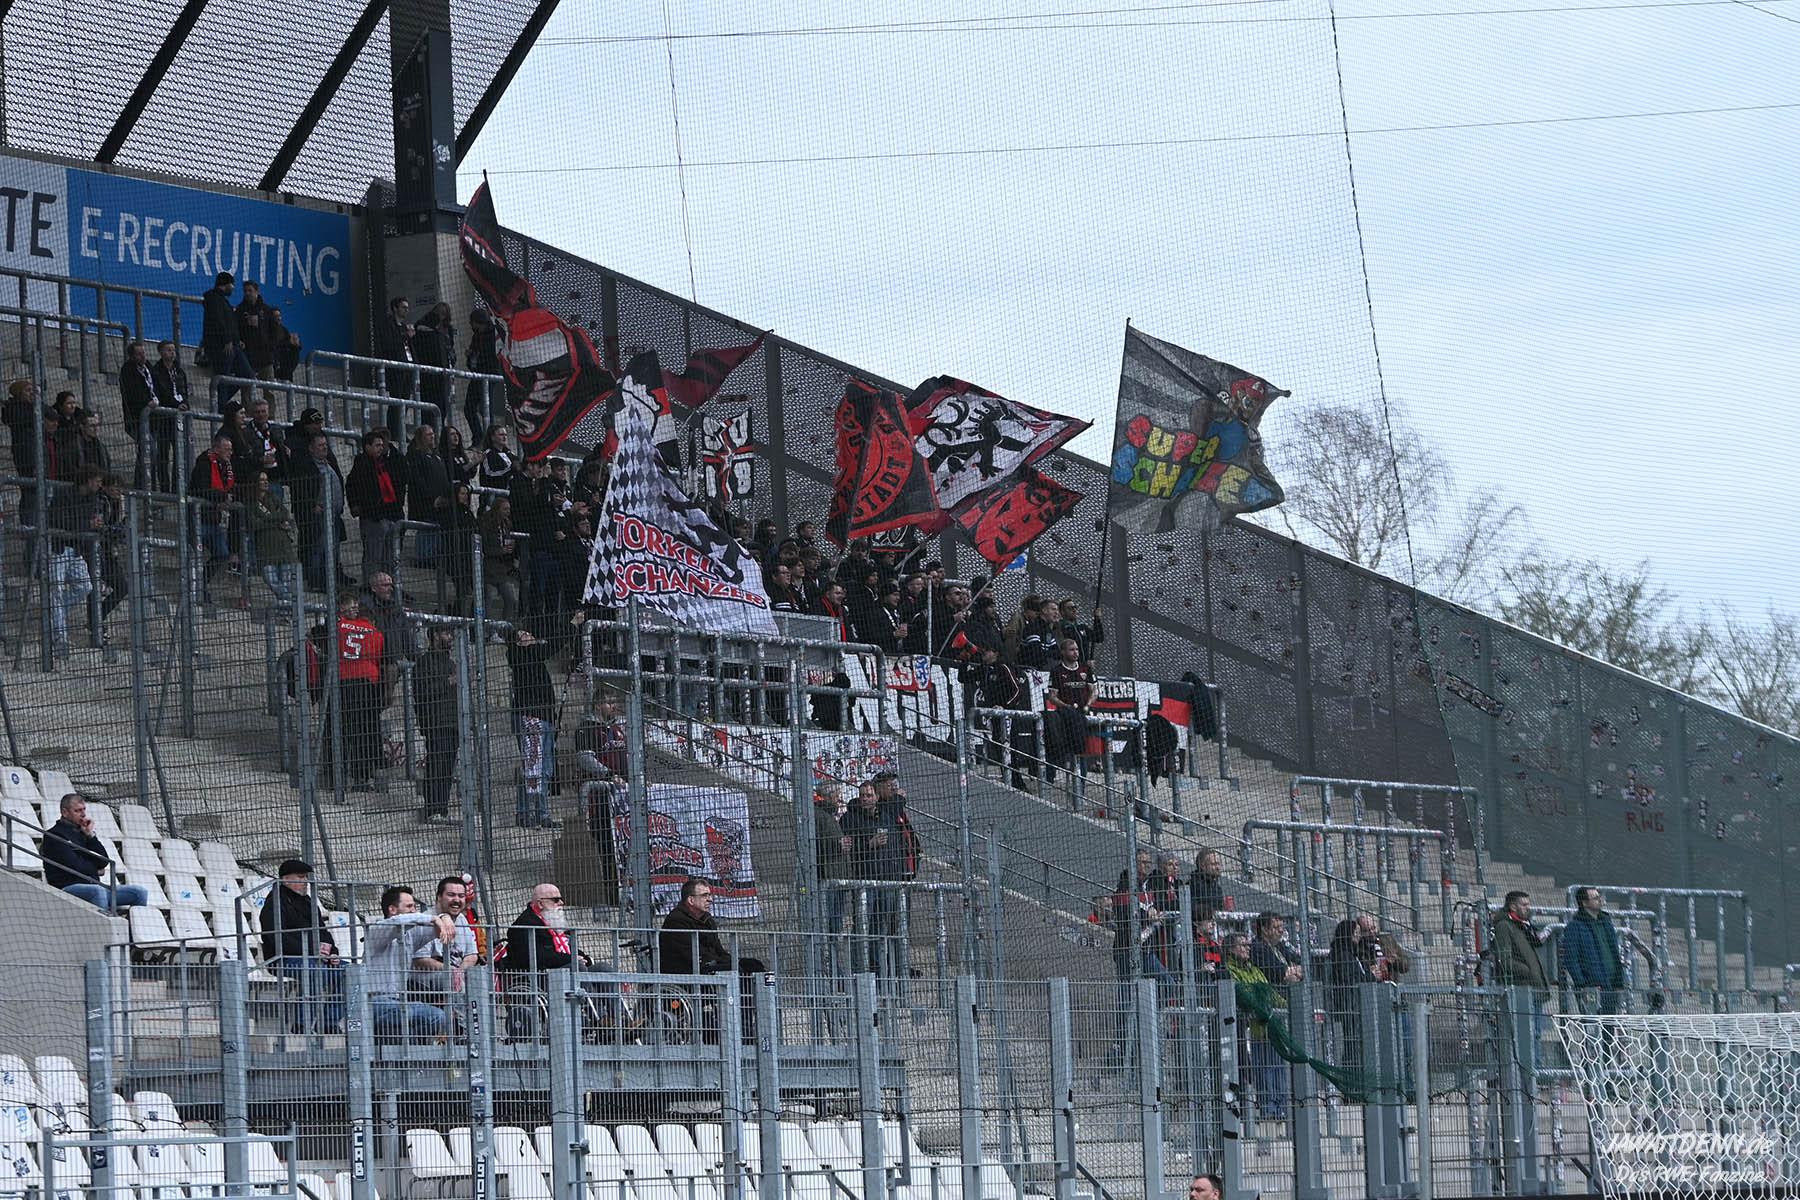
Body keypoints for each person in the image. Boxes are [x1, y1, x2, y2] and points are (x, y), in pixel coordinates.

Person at [659, 879, 767, 1042]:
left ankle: (752, 1024)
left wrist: (732, 962)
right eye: (704, 895)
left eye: (709, 895)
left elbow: (718, 950)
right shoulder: (676, 920)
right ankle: (742, 1032)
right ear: (691, 900)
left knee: (753, 966)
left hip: (708, 964)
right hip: (686, 971)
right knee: (739, 973)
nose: (710, 899)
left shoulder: (707, 919)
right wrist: (722, 963)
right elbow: (691, 954)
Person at [307, 592, 387, 791]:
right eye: (351, 605)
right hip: (366, 683)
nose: (354, 609)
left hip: (342, 682)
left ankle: (337, 779)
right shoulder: (372, 631)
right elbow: (379, 657)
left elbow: (316, 636)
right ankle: (362, 779)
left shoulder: (336, 626)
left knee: (338, 732)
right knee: (363, 732)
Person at [258, 859, 345, 1032]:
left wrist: (332, 952)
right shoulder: (274, 903)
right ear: (285, 879)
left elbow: (323, 931)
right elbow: (277, 939)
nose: (305, 881)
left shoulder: (308, 902)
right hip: (283, 959)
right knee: (314, 971)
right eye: (300, 877)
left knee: (349, 972)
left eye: (306, 877)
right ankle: (301, 1024)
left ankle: (328, 1022)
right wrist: (312, 952)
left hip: (314, 958)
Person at [365, 885, 453, 1041]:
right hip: (374, 1002)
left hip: (398, 1001)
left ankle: (415, 1058)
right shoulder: (377, 929)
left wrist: (445, 917)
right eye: (409, 906)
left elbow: (437, 929)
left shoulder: (410, 934)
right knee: (407, 1012)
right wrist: (433, 918)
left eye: (415, 907)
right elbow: (399, 921)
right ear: (392, 909)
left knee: (438, 1016)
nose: (415, 911)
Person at [39, 794, 149, 911]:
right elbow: (74, 866)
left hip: (93, 886)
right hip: (67, 887)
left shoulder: (82, 832)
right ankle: (105, 928)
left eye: (84, 809)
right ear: (65, 812)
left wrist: (90, 835)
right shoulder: (54, 835)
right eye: (77, 811)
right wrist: (96, 870)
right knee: (98, 891)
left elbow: (103, 861)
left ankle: (133, 929)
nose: (83, 814)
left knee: (139, 892)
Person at [840, 780, 906, 967]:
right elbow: (848, 849)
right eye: (862, 795)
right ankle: (858, 967)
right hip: (865, 879)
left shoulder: (886, 815)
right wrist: (870, 844)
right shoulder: (850, 818)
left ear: (877, 797)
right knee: (861, 923)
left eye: (869, 795)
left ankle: (877, 967)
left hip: (887, 879)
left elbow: (899, 801)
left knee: (880, 924)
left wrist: (899, 794)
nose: (865, 799)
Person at [1224, 931, 1288, 1121]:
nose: (1246, 949)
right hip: (1252, 1029)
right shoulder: (1231, 969)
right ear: (1231, 949)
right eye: (1242, 945)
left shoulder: (1254, 969)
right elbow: (1244, 993)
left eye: (1247, 945)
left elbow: (1268, 991)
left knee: (1278, 1069)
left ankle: (1280, 1108)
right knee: (1264, 1072)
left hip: (1270, 1028)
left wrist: (1283, 1005)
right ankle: (1268, 1110)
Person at [46, 467, 104, 656]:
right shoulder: (64, 495)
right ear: (87, 480)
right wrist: (86, 524)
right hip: (59, 548)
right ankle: (59, 637)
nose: (99, 484)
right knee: (56, 589)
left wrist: (90, 525)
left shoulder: (93, 500)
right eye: (96, 480)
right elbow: (61, 521)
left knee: (85, 586)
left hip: (76, 549)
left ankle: (56, 614)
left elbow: (88, 524)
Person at [509, 624, 559, 829]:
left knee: (544, 768)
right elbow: (549, 647)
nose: (530, 636)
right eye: (525, 634)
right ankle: (524, 812)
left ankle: (541, 813)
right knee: (531, 766)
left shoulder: (536, 660)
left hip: (544, 717)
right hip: (530, 717)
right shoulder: (518, 656)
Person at [289, 432, 347, 592]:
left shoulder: (329, 463)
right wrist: (313, 505)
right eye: (320, 446)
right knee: (318, 550)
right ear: (311, 449)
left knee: (332, 549)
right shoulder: (307, 467)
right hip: (318, 517)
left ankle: (329, 581)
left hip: (333, 516)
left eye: (325, 445)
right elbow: (301, 490)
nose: (324, 448)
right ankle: (315, 581)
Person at [346, 430, 407, 582]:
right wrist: (362, 508)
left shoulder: (386, 463)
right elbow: (354, 487)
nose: (381, 448)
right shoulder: (362, 464)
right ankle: (370, 585)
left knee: (389, 557)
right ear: (367, 447)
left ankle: (388, 586)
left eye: (382, 445)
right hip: (374, 518)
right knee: (374, 556)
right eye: (377, 445)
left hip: (389, 515)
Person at [414, 626, 459, 822]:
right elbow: (422, 693)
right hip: (435, 722)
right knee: (437, 765)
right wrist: (448, 682)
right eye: (446, 633)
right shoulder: (424, 663)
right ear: (434, 635)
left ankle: (442, 808)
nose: (450, 637)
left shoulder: (450, 663)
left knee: (447, 767)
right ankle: (432, 808)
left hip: (452, 722)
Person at [411, 875, 481, 998]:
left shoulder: (462, 919)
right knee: (452, 982)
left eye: (461, 896)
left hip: (456, 975)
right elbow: (419, 960)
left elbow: (472, 955)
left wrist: (459, 971)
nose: (457, 900)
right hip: (427, 983)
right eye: (451, 895)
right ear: (439, 897)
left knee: (482, 977)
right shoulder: (426, 919)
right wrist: (451, 971)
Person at [1562, 887, 1625, 1014]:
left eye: (1599, 897)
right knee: (1592, 1027)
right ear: (1584, 903)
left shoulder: (1606, 922)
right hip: (1592, 988)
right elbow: (1571, 959)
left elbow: (1614, 954)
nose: (1600, 900)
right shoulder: (1574, 927)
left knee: (1609, 1027)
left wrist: (1619, 982)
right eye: (1595, 898)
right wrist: (1583, 984)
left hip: (1610, 986)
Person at [200, 273, 254, 407]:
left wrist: (236, 339)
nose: (233, 288)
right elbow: (218, 321)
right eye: (232, 284)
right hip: (221, 346)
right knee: (223, 376)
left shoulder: (223, 301)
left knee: (247, 374)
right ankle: (221, 406)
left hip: (232, 344)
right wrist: (227, 340)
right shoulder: (213, 298)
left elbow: (229, 323)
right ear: (225, 284)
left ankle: (221, 403)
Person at [1045, 637, 1094, 782]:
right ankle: (1050, 777)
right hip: (1064, 716)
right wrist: (1065, 706)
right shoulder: (1056, 671)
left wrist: (1088, 705)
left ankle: (1081, 785)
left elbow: (1094, 691)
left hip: (1081, 716)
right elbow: (1052, 696)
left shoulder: (1086, 669)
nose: (1075, 653)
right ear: (1063, 652)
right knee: (1057, 743)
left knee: (1081, 749)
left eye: (1077, 649)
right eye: (1072, 650)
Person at [247, 471, 300, 603]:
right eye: (261, 480)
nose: (265, 482)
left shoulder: (274, 498)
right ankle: (288, 603)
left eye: (266, 479)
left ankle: (286, 606)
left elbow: (285, 514)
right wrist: (276, 521)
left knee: (287, 580)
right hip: (266, 548)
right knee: (271, 580)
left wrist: (268, 519)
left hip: (283, 546)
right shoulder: (251, 503)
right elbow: (254, 523)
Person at [147, 341, 192, 492]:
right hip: (164, 419)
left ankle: (177, 487)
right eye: (168, 350)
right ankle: (165, 488)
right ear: (160, 352)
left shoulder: (179, 371)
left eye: (173, 350)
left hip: (178, 418)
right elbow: (161, 392)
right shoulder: (156, 371)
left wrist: (184, 403)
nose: (172, 353)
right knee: (163, 455)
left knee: (180, 454)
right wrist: (175, 404)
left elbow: (184, 391)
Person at [813, 782, 851, 935]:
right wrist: (838, 845)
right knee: (830, 924)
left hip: (836, 876)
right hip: (828, 877)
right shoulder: (819, 815)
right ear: (827, 797)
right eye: (837, 795)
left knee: (835, 923)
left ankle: (831, 955)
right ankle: (827, 957)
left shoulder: (829, 816)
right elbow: (814, 845)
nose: (839, 799)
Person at [465, 307, 500, 440]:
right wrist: (471, 356)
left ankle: (490, 438)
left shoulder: (493, 335)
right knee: (469, 408)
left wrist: (476, 356)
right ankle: (479, 437)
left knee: (486, 408)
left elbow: (492, 356)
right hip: (477, 375)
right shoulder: (476, 336)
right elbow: (474, 356)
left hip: (489, 374)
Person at [1251, 912, 1306, 991]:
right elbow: (1279, 973)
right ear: (1264, 929)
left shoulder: (1280, 945)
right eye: (1276, 927)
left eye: (1282, 927)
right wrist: (1291, 971)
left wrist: (1291, 971)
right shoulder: (1258, 948)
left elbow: (1300, 962)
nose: (1281, 930)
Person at [1191, 849, 1227, 916]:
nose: (1218, 867)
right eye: (1214, 864)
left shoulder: (1216, 887)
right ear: (1203, 866)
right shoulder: (1193, 886)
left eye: (1218, 864)